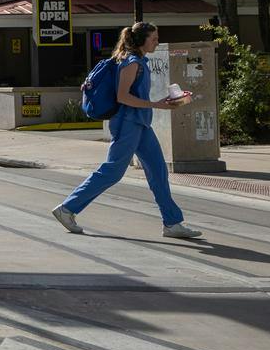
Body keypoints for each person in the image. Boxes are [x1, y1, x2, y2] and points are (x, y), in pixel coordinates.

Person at [51, 21, 201, 239]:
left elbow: (135, 96)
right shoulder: (131, 63)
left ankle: (172, 223)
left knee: (158, 171)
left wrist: (163, 101)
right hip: (128, 123)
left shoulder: (140, 61)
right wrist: (157, 105)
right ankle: (67, 209)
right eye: (154, 39)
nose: (157, 42)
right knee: (113, 171)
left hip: (140, 123)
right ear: (141, 40)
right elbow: (123, 97)